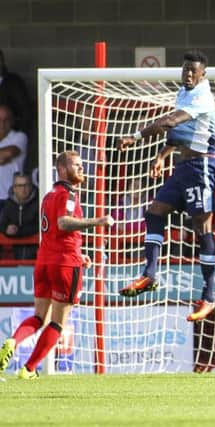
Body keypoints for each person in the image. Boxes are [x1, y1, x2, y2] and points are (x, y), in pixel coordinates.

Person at [117, 51, 215, 323]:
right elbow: (178, 135)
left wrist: (136, 136)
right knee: (154, 212)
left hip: (202, 169)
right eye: (185, 69)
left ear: (203, 75)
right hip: (183, 167)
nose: (188, 74)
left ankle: (209, 296)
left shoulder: (202, 96)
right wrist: (162, 156)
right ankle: (150, 275)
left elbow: (170, 122)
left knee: (203, 227)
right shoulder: (183, 92)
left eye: (193, 71)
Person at [0, 151, 114, 378]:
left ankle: (13, 341)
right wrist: (98, 221)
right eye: (77, 165)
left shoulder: (48, 196)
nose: (81, 168)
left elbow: (53, 232)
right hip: (64, 264)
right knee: (58, 323)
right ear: (62, 169)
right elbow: (63, 223)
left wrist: (79, 254)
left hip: (44, 261)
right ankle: (28, 369)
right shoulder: (68, 195)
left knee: (39, 316)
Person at [0, 172, 39, 259]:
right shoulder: (8, 204)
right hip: (14, 256)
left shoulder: (39, 203)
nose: (23, 189)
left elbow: (39, 226)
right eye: (19, 186)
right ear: (14, 188)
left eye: (26, 185)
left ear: (31, 186)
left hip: (36, 254)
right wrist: (7, 229)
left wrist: (18, 231)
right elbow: (2, 224)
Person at [0, 104, 28, 210]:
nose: (2, 124)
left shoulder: (19, 137)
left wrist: (3, 157)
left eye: (6, 120)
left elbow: (5, 155)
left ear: (12, 121)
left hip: (10, 199)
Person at [0, 50, 31, 132]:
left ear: (2, 62)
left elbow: (25, 111)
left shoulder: (14, 82)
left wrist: (20, 132)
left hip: (11, 133)